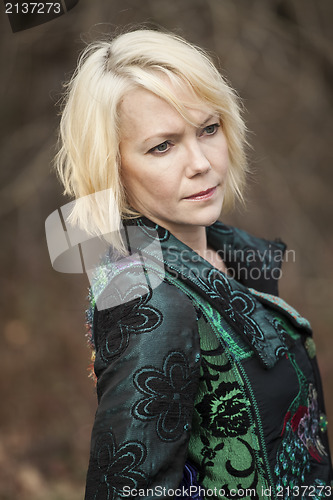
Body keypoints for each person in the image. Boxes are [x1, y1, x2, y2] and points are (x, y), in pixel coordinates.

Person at [54, 28, 332, 500]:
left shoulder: (235, 255)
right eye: (162, 146)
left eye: (208, 129)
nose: (201, 162)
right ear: (113, 167)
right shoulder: (146, 298)